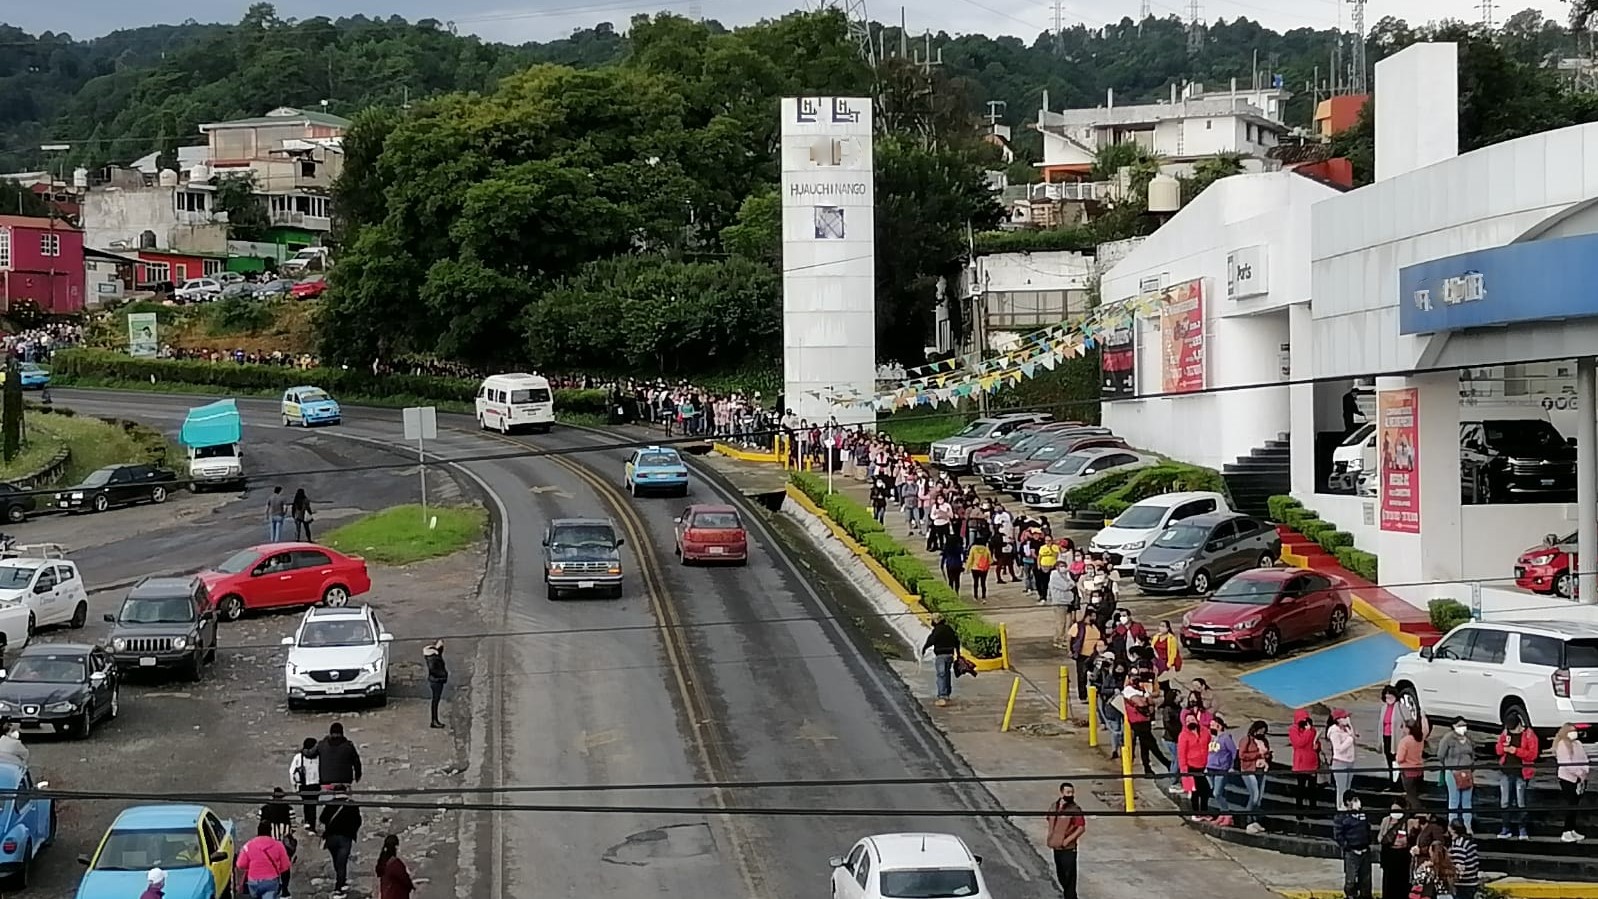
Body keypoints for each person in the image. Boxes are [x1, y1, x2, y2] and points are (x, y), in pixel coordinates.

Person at [1494, 715, 1537, 839]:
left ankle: (1522, 830)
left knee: (1521, 802)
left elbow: (1532, 755)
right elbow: (1498, 750)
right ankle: (1505, 828)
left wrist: (1516, 751)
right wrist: (1504, 747)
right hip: (1506, 771)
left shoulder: (1529, 735)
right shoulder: (1505, 733)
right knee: (1505, 801)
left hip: (1521, 773)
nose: (1511, 731)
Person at [320, 786, 363, 898]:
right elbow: (358, 821)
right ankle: (339, 888)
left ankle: (341, 881)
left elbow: (322, 819)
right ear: (346, 792)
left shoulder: (329, 804)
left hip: (331, 838)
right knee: (342, 863)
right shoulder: (352, 805)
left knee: (336, 861)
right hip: (345, 838)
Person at [1045, 782, 1085, 899]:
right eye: (1068, 792)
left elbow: (1081, 828)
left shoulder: (1075, 809)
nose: (1070, 795)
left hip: (1069, 849)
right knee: (1061, 875)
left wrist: (1067, 841)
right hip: (1056, 847)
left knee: (1070, 879)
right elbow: (1049, 820)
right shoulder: (1054, 806)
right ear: (1062, 793)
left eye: (1072, 792)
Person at [1436, 717, 1476, 831]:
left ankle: (1468, 826)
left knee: (1467, 801)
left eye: (1464, 725)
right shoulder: (1448, 738)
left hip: (1467, 771)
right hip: (1452, 771)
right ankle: (1451, 826)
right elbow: (1440, 754)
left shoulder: (1469, 739)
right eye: (1460, 725)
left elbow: (1473, 753)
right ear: (1453, 726)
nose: (1463, 727)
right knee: (1454, 800)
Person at [236, 820, 293, 899]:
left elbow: (240, 864)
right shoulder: (278, 845)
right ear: (270, 832)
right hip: (271, 881)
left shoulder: (249, 845)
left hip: (253, 881)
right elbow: (285, 866)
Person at [1554, 721, 1590, 842]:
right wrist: (1579, 772)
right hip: (1567, 778)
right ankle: (1566, 831)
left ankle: (1572, 829)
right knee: (1570, 804)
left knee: (1575, 805)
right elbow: (1566, 763)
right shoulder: (1562, 745)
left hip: (1580, 778)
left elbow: (1584, 758)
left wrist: (1584, 772)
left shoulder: (1577, 744)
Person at [1332, 793, 1372, 899]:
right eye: (1354, 800)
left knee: (1366, 879)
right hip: (1352, 852)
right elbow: (1338, 834)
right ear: (1348, 802)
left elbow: (1368, 828)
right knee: (1351, 879)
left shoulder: (1362, 814)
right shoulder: (1341, 816)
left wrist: (1368, 841)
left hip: (1365, 851)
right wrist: (1347, 847)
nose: (1357, 802)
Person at [260, 788, 297, 898]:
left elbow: (260, 820)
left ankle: (274, 888)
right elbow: (293, 826)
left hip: (268, 844)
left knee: (270, 866)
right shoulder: (289, 808)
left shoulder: (265, 808)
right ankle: (285, 891)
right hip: (284, 844)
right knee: (285, 867)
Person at [1238, 720, 1272, 835]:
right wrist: (1257, 754)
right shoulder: (1247, 740)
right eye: (1260, 730)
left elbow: (1266, 754)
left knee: (1259, 798)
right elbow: (1242, 755)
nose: (1261, 733)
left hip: (1261, 770)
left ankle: (1255, 820)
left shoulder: (1264, 741)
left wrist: (1268, 755)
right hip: (1249, 770)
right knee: (1254, 795)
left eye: (1264, 731)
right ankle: (1247, 821)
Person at [1205, 715, 1239, 827]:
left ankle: (1227, 814)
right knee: (1215, 792)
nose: (1210, 727)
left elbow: (1234, 752)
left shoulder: (1226, 738)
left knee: (1217, 793)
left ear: (1219, 726)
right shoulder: (1212, 738)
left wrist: (1232, 767)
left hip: (1221, 769)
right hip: (1210, 768)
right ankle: (1222, 814)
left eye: (1212, 725)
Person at [1289, 709, 1323, 819]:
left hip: (1312, 761)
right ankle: (1299, 809)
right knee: (1301, 787)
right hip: (1301, 762)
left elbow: (1316, 744)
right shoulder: (1293, 730)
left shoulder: (1312, 730)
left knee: (1312, 787)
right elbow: (1299, 743)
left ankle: (1313, 808)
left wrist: (1316, 744)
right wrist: (1307, 732)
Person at [922, 615, 961, 707]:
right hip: (950, 655)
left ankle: (942, 696)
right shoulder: (949, 629)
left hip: (941, 656)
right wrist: (958, 653)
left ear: (936, 621)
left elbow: (931, 640)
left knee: (941, 675)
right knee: (947, 674)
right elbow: (956, 641)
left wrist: (924, 648)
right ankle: (947, 694)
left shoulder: (937, 630)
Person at [1378, 804, 1412, 899]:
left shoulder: (1407, 822)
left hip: (1402, 856)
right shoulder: (1386, 820)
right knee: (1389, 883)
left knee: (1402, 884)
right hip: (1390, 854)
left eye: (1397, 810)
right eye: (1393, 810)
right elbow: (1380, 837)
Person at [314, 722, 363, 787]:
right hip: (344, 783)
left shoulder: (321, 745)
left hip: (326, 783)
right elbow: (357, 763)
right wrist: (358, 776)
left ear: (330, 733)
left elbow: (310, 756)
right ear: (342, 733)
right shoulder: (348, 746)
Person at [288, 738, 321, 833]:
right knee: (309, 804)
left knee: (310, 804)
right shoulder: (301, 757)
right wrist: (294, 785)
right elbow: (292, 772)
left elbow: (292, 772)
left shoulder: (299, 757)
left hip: (312, 784)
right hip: (307, 784)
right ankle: (310, 823)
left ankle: (309, 823)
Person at [1067, 616, 1101, 703]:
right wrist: (1070, 650)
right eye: (1092, 616)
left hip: (1095, 655)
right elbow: (1069, 638)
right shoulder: (1078, 626)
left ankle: (1095, 694)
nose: (1093, 618)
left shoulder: (1096, 626)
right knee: (1082, 676)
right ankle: (1083, 696)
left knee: (1096, 675)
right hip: (1082, 655)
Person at [1396, 720, 1427, 810]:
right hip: (1419, 770)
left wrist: (1397, 759)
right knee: (1416, 793)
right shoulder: (1420, 739)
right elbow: (1426, 729)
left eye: (1404, 727)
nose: (1403, 729)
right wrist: (1424, 717)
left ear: (1408, 729)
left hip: (1408, 771)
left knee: (1411, 795)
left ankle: (1418, 812)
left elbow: (1400, 758)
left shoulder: (1405, 741)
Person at [376, 834, 416, 899]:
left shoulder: (383, 863)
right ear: (396, 847)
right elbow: (405, 880)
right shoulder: (395, 864)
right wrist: (413, 887)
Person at [1448, 821, 1481, 899]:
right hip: (1472, 881)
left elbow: (1459, 867)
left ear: (1452, 830)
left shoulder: (1459, 845)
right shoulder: (1469, 842)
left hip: (1464, 884)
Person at [1046, 560, 1075, 647]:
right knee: (1061, 622)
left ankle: (1065, 639)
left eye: (1064, 566)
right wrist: (1069, 583)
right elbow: (1065, 586)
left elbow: (1073, 584)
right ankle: (1058, 640)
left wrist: (1069, 581)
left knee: (1068, 622)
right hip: (1059, 602)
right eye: (1061, 566)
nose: (1063, 568)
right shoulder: (1055, 576)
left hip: (1068, 602)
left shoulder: (1066, 575)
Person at [424, 640, 449, 729]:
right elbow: (434, 670)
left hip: (436, 680)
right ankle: (434, 720)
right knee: (435, 701)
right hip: (436, 681)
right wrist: (443, 675)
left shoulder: (433, 656)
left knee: (435, 701)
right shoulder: (434, 658)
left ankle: (435, 720)